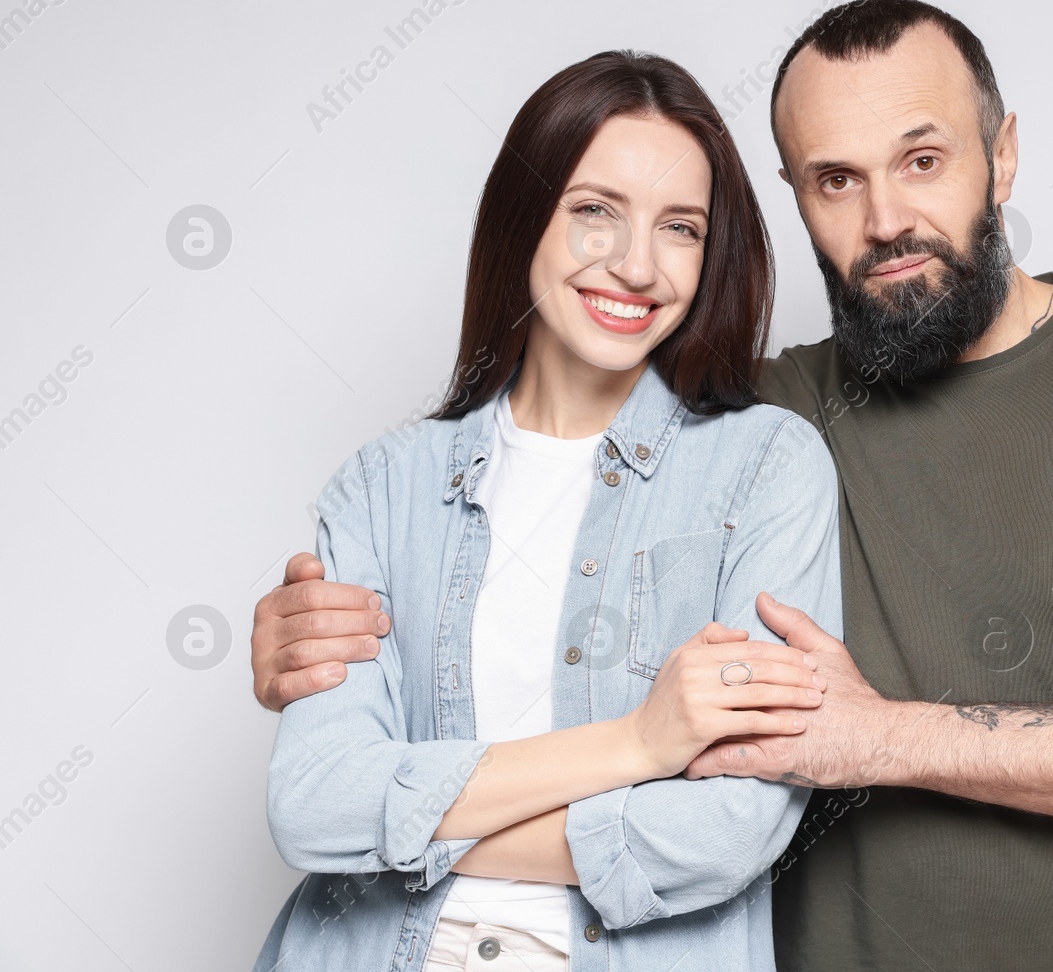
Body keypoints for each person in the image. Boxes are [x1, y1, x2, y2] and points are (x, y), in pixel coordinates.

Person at [253, 0, 1053, 970]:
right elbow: (539, 455)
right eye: (834, 179)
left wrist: (878, 736)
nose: (884, 218)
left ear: (1003, 155)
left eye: (922, 159)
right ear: (794, 197)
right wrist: (308, 628)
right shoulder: (751, 422)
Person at [252, 50, 845, 972]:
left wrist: (405, 826)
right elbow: (313, 803)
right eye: (595, 211)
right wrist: (639, 742)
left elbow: (729, 827)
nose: (638, 264)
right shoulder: (383, 485)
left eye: (681, 227)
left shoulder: (766, 466)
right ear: (525, 217)